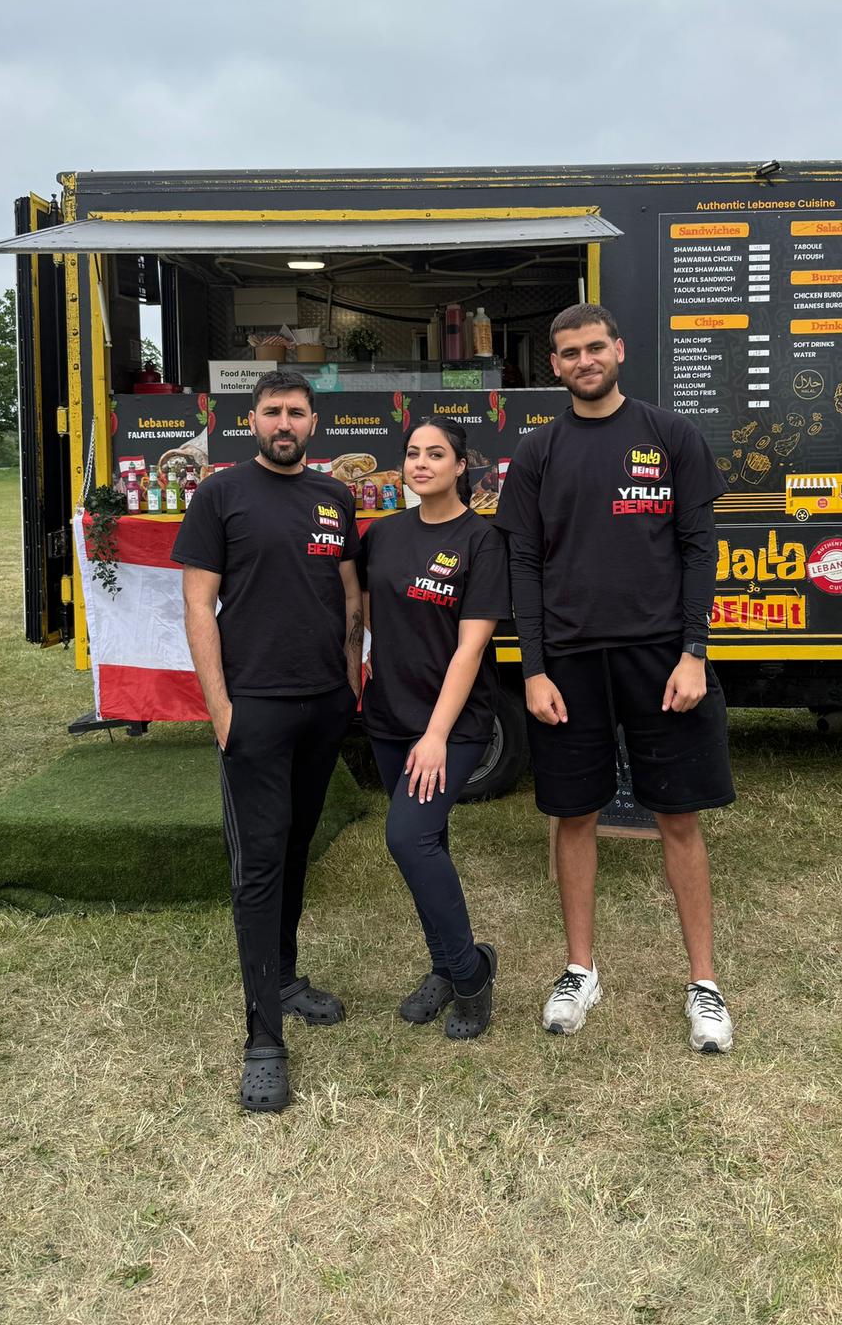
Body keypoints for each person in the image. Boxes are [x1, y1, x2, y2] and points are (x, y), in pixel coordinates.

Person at [494, 303, 736, 1053]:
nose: (584, 361)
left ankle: (704, 983)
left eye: (595, 347)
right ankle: (580, 969)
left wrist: (694, 651)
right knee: (575, 815)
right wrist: (533, 669)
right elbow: (523, 564)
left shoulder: (671, 436)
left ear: (619, 349)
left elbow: (699, 549)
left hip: (661, 658)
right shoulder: (537, 452)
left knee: (678, 817)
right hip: (568, 661)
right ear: (555, 365)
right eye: (569, 353)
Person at [173, 370, 363, 1112]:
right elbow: (197, 606)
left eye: (297, 412)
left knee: (294, 846)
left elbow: (348, 593)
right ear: (251, 420)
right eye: (273, 411)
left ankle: (283, 979)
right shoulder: (220, 494)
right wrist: (221, 709)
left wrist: (349, 679)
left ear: (314, 423)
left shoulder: (334, 497)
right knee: (257, 867)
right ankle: (263, 1041)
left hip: (322, 705)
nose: (285, 422)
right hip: (253, 707)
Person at [358, 417, 509, 1039]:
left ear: (460, 466)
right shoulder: (383, 533)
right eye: (413, 453)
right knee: (429, 844)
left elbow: (470, 650)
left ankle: (471, 975)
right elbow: (369, 610)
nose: (421, 464)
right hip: (388, 714)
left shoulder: (482, 541)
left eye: (436, 454)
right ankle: (445, 967)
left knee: (408, 837)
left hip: (453, 723)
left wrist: (436, 735)